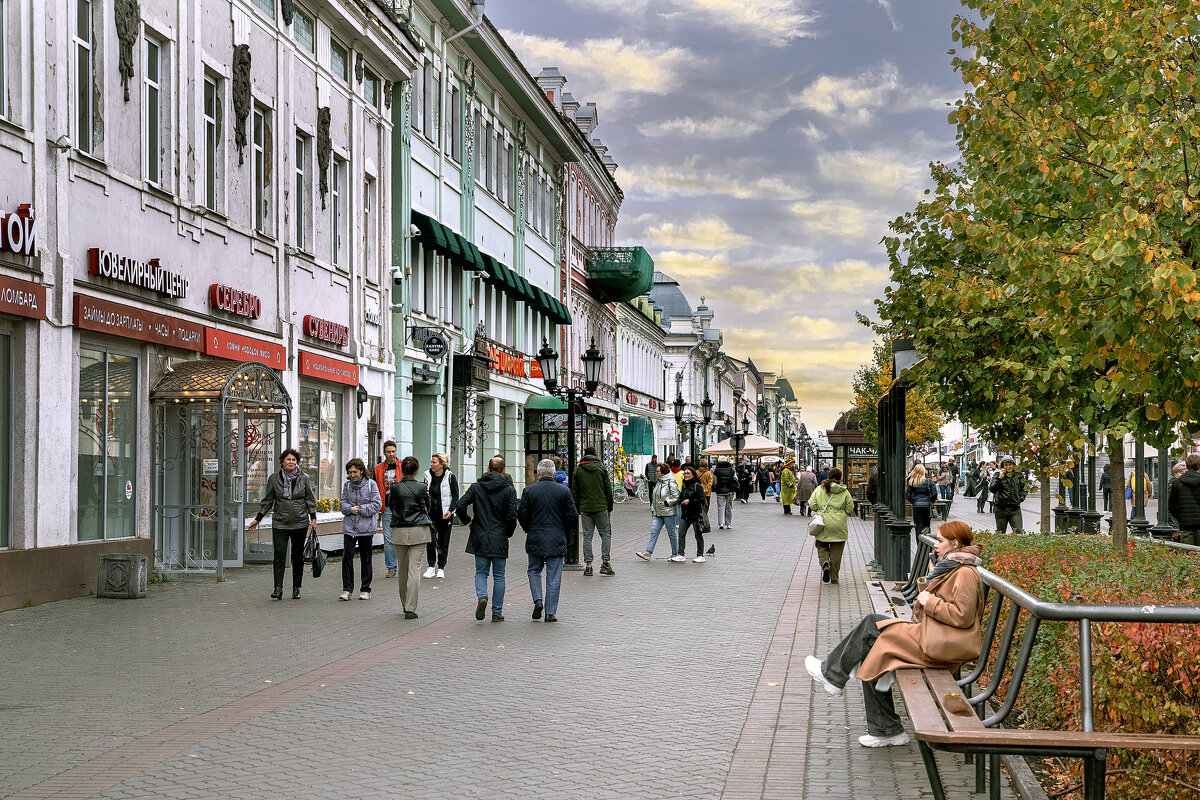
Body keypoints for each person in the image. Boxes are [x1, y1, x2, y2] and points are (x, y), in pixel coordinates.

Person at [806, 522, 984, 748]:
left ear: (956, 543)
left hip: (941, 646)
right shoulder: (951, 566)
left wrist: (931, 601)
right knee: (873, 637)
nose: (936, 545)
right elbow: (936, 602)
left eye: (940, 541)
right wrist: (930, 580)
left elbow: (963, 616)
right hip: (932, 636)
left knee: (874, 634)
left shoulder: (965, 573)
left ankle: (837, 680)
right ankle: (882, 726)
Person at [453, 456, 519, 622]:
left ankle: (482, 595)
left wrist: (468, 520)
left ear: (488, 469)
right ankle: (496, 612)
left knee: (481, 572)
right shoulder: (509, 490)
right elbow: (512, 517)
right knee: (499, 575)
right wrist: (508, 533)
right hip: (499, 536)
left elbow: (460, 505)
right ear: (504, 471)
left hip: (479, 534)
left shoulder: (477, 487)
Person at [249, 448, 317, 600]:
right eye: (288, 459)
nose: (291, 462)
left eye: (294, 460)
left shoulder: (304, 478)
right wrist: (258, 519)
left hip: (300, 522)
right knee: (279, 554)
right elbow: (268, 501)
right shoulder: (274, 478)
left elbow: (310, 499)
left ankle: (296, 588)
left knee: (297, 556)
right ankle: (277, 588)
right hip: (280, 522)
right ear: (282, 462)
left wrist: (313, 519)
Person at [518, 459, 578, 622]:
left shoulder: (529, 491)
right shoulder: (563, 491)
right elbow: (572, 515)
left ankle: (538, 600)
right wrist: (562, 528)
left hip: (535, 536)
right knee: (554, 576)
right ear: (553, 473)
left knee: (534, 570)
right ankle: (550, 613)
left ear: (538, 473)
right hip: (556, 537)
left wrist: (528, 528)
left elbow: (522, 514)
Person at [387, 456, 432, 618]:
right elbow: (428, 506)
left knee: (403, 569)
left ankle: (404, 603)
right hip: (419, 531)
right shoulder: (422, 487)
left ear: (401, 470)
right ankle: (410, 608)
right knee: (415, 569)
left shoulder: (395, 488)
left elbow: (390, 505)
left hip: (399, 530)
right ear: (416, 470)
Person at [340, 458, 383, 601]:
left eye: (355, 472)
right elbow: (342, 504)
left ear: (361, 471)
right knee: (347, 558)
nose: (352, 475)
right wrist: (350, 509)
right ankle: (347, 589)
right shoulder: (347, 486)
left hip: (366, 528)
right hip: (349, 528)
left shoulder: (371, 485)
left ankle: (365, 588)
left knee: (366, 558)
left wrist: (360, 510)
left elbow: (377, 504)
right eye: (350, 472)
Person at [572, 446, 614, 577]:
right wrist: (610, 507)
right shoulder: (601, 468)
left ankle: (588, 565)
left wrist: (578, 507)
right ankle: (605, 564)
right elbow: (608, 488)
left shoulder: (578, 469)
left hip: (585, 508)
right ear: (595, 454)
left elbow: (575, 491)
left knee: (587, 536)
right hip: (601, 506)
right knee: (605, 534)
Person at [809, 466, 855, 584]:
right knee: (836, 551)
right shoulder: (844, 491)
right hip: (839, 524)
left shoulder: (820, 489)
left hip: (823, 523)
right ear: (840, 478)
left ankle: (824, 562)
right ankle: (834, 577)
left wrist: (820, 510)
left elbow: (812, 504)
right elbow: (850, 508)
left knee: (821, 544)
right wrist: (840, 512)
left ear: (829, 476)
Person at [422, 453, 459, 579]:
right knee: (431, 539)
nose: (431, 464)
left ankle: (441, 567)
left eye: (434, 462)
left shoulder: (450, 477)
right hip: (431, 513)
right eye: (431, 462)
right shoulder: (427, 475)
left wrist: (451, 510)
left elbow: (455, 495)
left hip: (445, 514)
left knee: (444, 540)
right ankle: (431, 566)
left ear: (442, 464)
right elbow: (424, 493)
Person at [639, 462, 682, 561]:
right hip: (658, 513)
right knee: (654, 531)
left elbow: (677, 496)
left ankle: (675, 553)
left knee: (671, 533)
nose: (655, 473)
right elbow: (655, 498)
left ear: (663, 473)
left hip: (668, 512)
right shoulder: (659, 482)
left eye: (657, 471)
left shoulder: (670, 482)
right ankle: (648, 552)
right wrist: (653, 510)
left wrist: (667, 502)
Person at [372, 441, 400, 578]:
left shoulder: (403, 466)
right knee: (388, 538)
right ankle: (391, 567)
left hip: (402, 507)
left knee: (401, 536)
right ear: (384, 453)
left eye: (393, 451)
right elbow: (374, 489)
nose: (391, 454)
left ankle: (405, 564)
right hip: (386, 506)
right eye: (388, 452)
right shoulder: (378, 469)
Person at [1168, 454, 1200, 546]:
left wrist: (1180, 517)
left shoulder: (1177, 482)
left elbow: (1171, 505)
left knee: (1187, 553)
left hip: (1185, 524)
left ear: (1187, 465)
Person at [677, 466, 707, 562]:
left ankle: (700, 555)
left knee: (698, 535)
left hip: (695, 514)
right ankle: (681, 554)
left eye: (688, 473)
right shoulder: (684, 485)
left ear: (693, 475)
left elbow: (702, 500)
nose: (685, 475)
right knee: (681, 533)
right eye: (684, 473)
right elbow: (681, 498)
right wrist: (668, 502)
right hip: (685, 514)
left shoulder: (697, 485)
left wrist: (690, 501)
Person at [990, 456, 1027, 534]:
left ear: (1013, 465)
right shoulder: (997, 475)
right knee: (1000, 533)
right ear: (1003, 466)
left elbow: (1025, 488)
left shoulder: (1018, 475)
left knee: (1019, 532)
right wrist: (999, 478)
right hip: (1001, 508)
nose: (1008, 467)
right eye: (1006, 465)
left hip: (1015, 508)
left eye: (1010, 464)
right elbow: (992, 489)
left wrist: (1020, 499)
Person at [905, 464, 938, 540]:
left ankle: (919, 544)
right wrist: (930, 501)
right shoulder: (929, 481)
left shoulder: (912, 482)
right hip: (927, 505)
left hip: (916, 506)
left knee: (918, 526)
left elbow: (908, 495)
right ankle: (927, 545)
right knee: (927, 525)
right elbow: (934, 493)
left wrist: (914, 501)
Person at [712, 457, 737, 529]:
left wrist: (717, 486)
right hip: (730, 490)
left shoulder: (716, 470)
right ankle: (728, 523)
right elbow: (735, 479)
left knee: (721, 507)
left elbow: (714, 480)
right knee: (729, 507)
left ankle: (721, 523)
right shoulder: (732, 470)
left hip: (720, 490)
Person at [697, 460, 714, 533]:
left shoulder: (696, 472)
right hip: (707, 494)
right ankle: (704, 522)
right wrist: (705, 490)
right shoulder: (709, 473)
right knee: (706, 508)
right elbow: (710, 483)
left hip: (698, 493)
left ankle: (698, 522)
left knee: (698, 508)